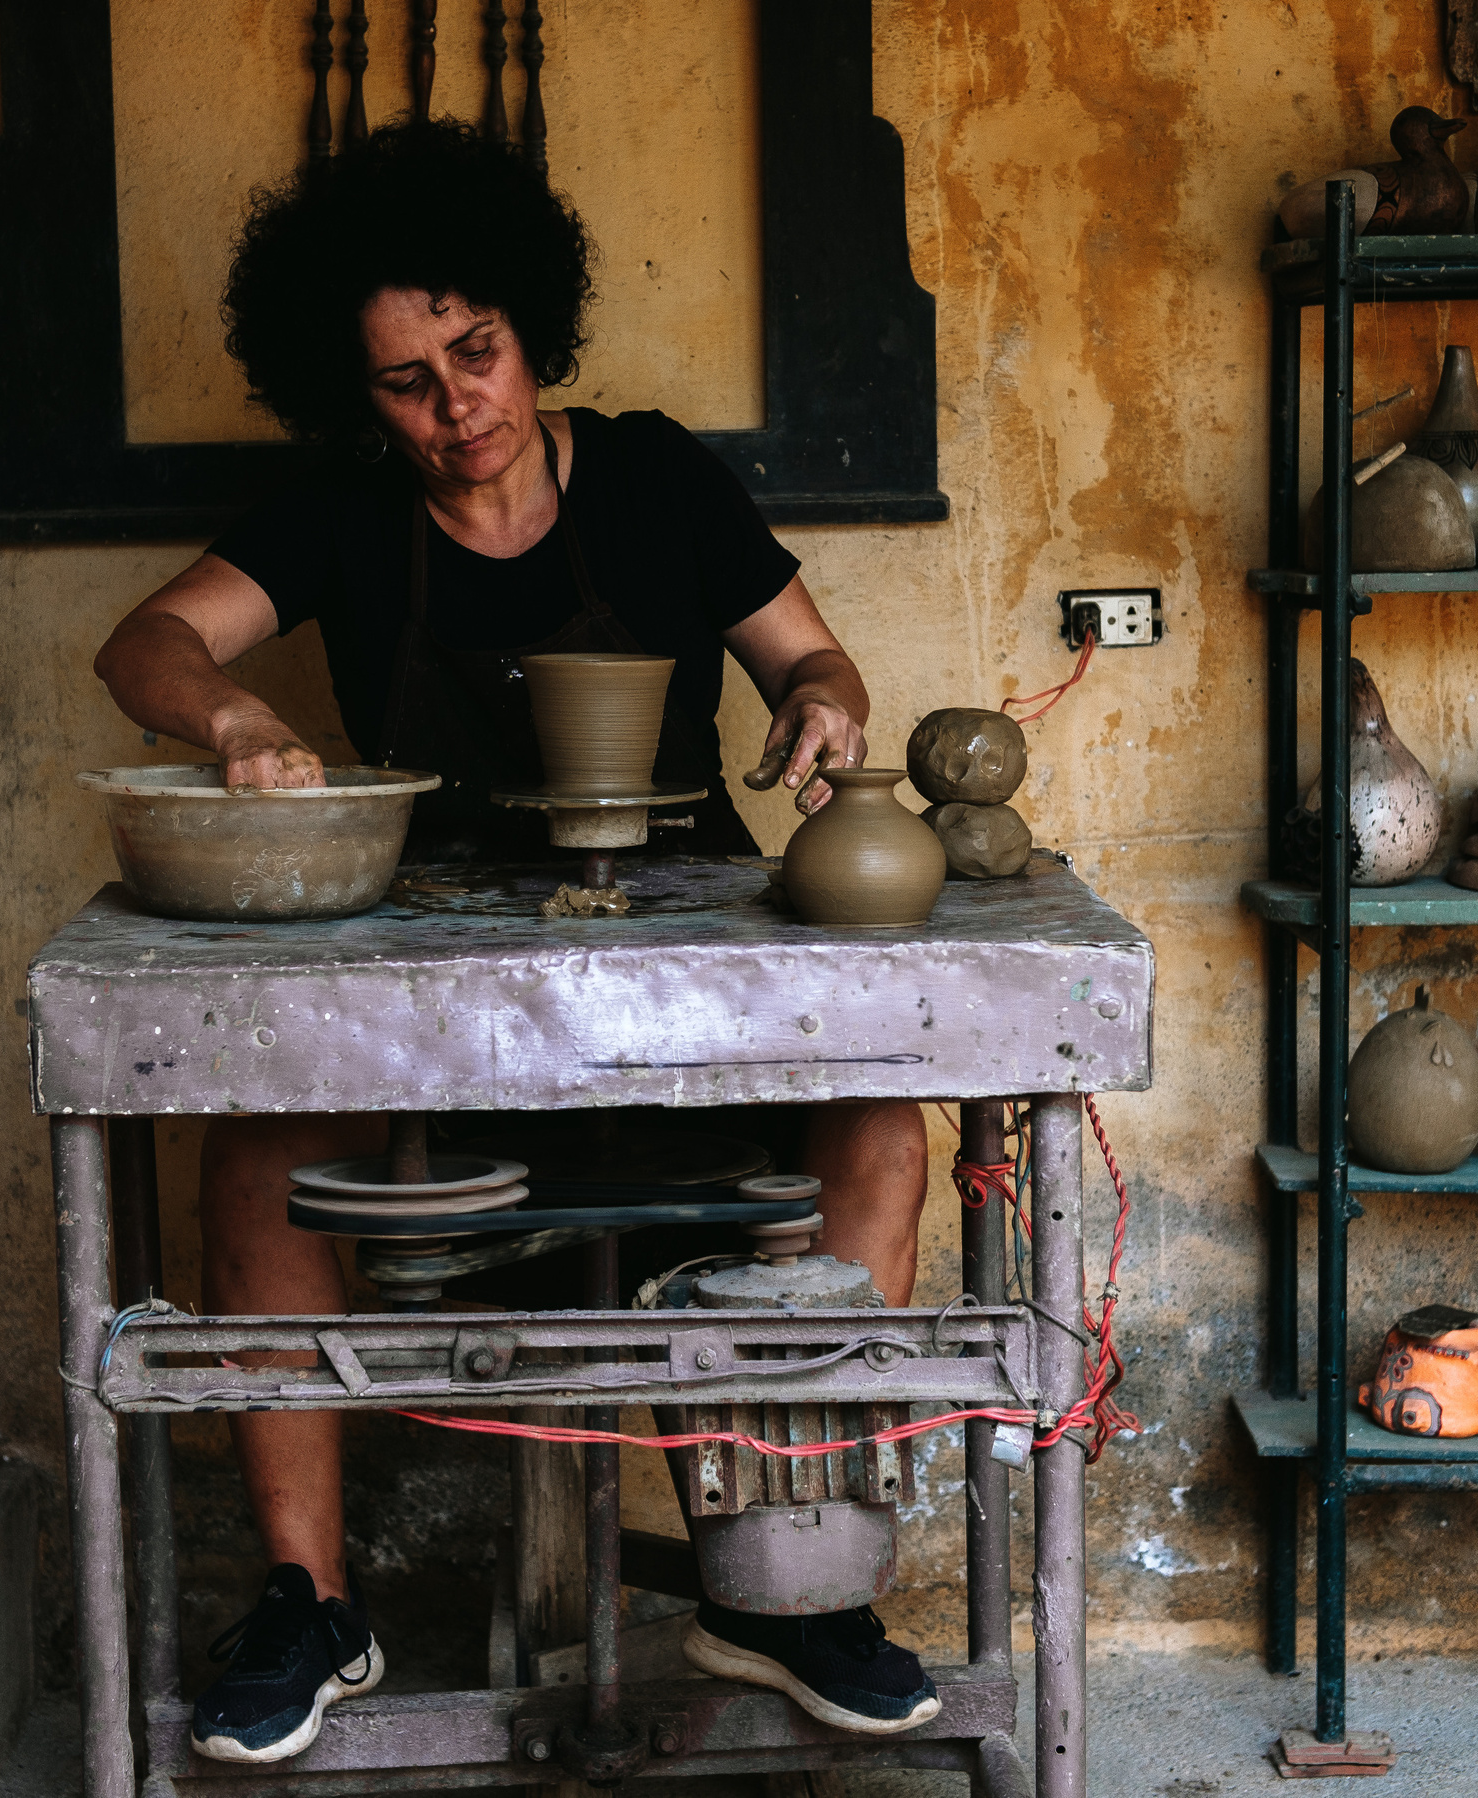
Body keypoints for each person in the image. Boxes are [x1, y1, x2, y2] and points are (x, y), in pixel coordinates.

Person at [91, 119, 937, 1766]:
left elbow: (815, 668)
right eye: (406, 379)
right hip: (443, 1024)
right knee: (255, 1154)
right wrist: (240, 714)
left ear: (530, 332)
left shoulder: (658, 481)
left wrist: (828, 707)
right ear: (364, 394)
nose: (453, 402)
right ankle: (306, 1600)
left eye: (474, 352)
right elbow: (146, 643)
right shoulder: (344, 510)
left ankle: (776, 1581)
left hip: (683, 1001)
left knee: (876, 1126)